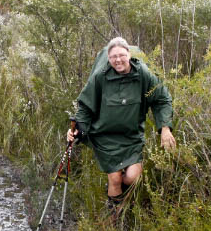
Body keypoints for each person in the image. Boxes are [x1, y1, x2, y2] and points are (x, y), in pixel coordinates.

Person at [67, 37, 175, 216]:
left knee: (133, 178)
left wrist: (165, 128)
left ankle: (118, 199)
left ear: (129, 55)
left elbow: (161, 99)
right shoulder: (101, 76)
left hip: (131, 136)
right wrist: (77, 129)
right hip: (105, 136)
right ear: (108, 58)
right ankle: (117, 219)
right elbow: (86, 107)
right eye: (113, 57)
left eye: (121, 55)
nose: (117, 60)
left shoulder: (143, 75)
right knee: (115, 178)